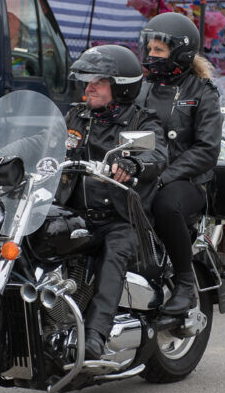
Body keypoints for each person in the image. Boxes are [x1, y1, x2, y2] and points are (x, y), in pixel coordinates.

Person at [60, 45, 167, 358]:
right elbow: (45, 140)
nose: (90, 86)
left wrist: (133, 164)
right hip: (73, 212)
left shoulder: (141, 120)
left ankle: (95, 335)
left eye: (100, 81)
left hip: (120, 218)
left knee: (113, 255)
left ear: (121, 87)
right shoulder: (77, 115)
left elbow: (157, 154)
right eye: (88, 80)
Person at [137, 12, 222, 316]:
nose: (151, 54)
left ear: (181, 53)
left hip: (188, 182)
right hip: (144, 171)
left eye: (159, 50)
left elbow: (207, 150)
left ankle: (185, 284)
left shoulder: (202, 92)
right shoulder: (142, 89)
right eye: (150, 48)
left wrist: (165, 175)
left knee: (166, 205)